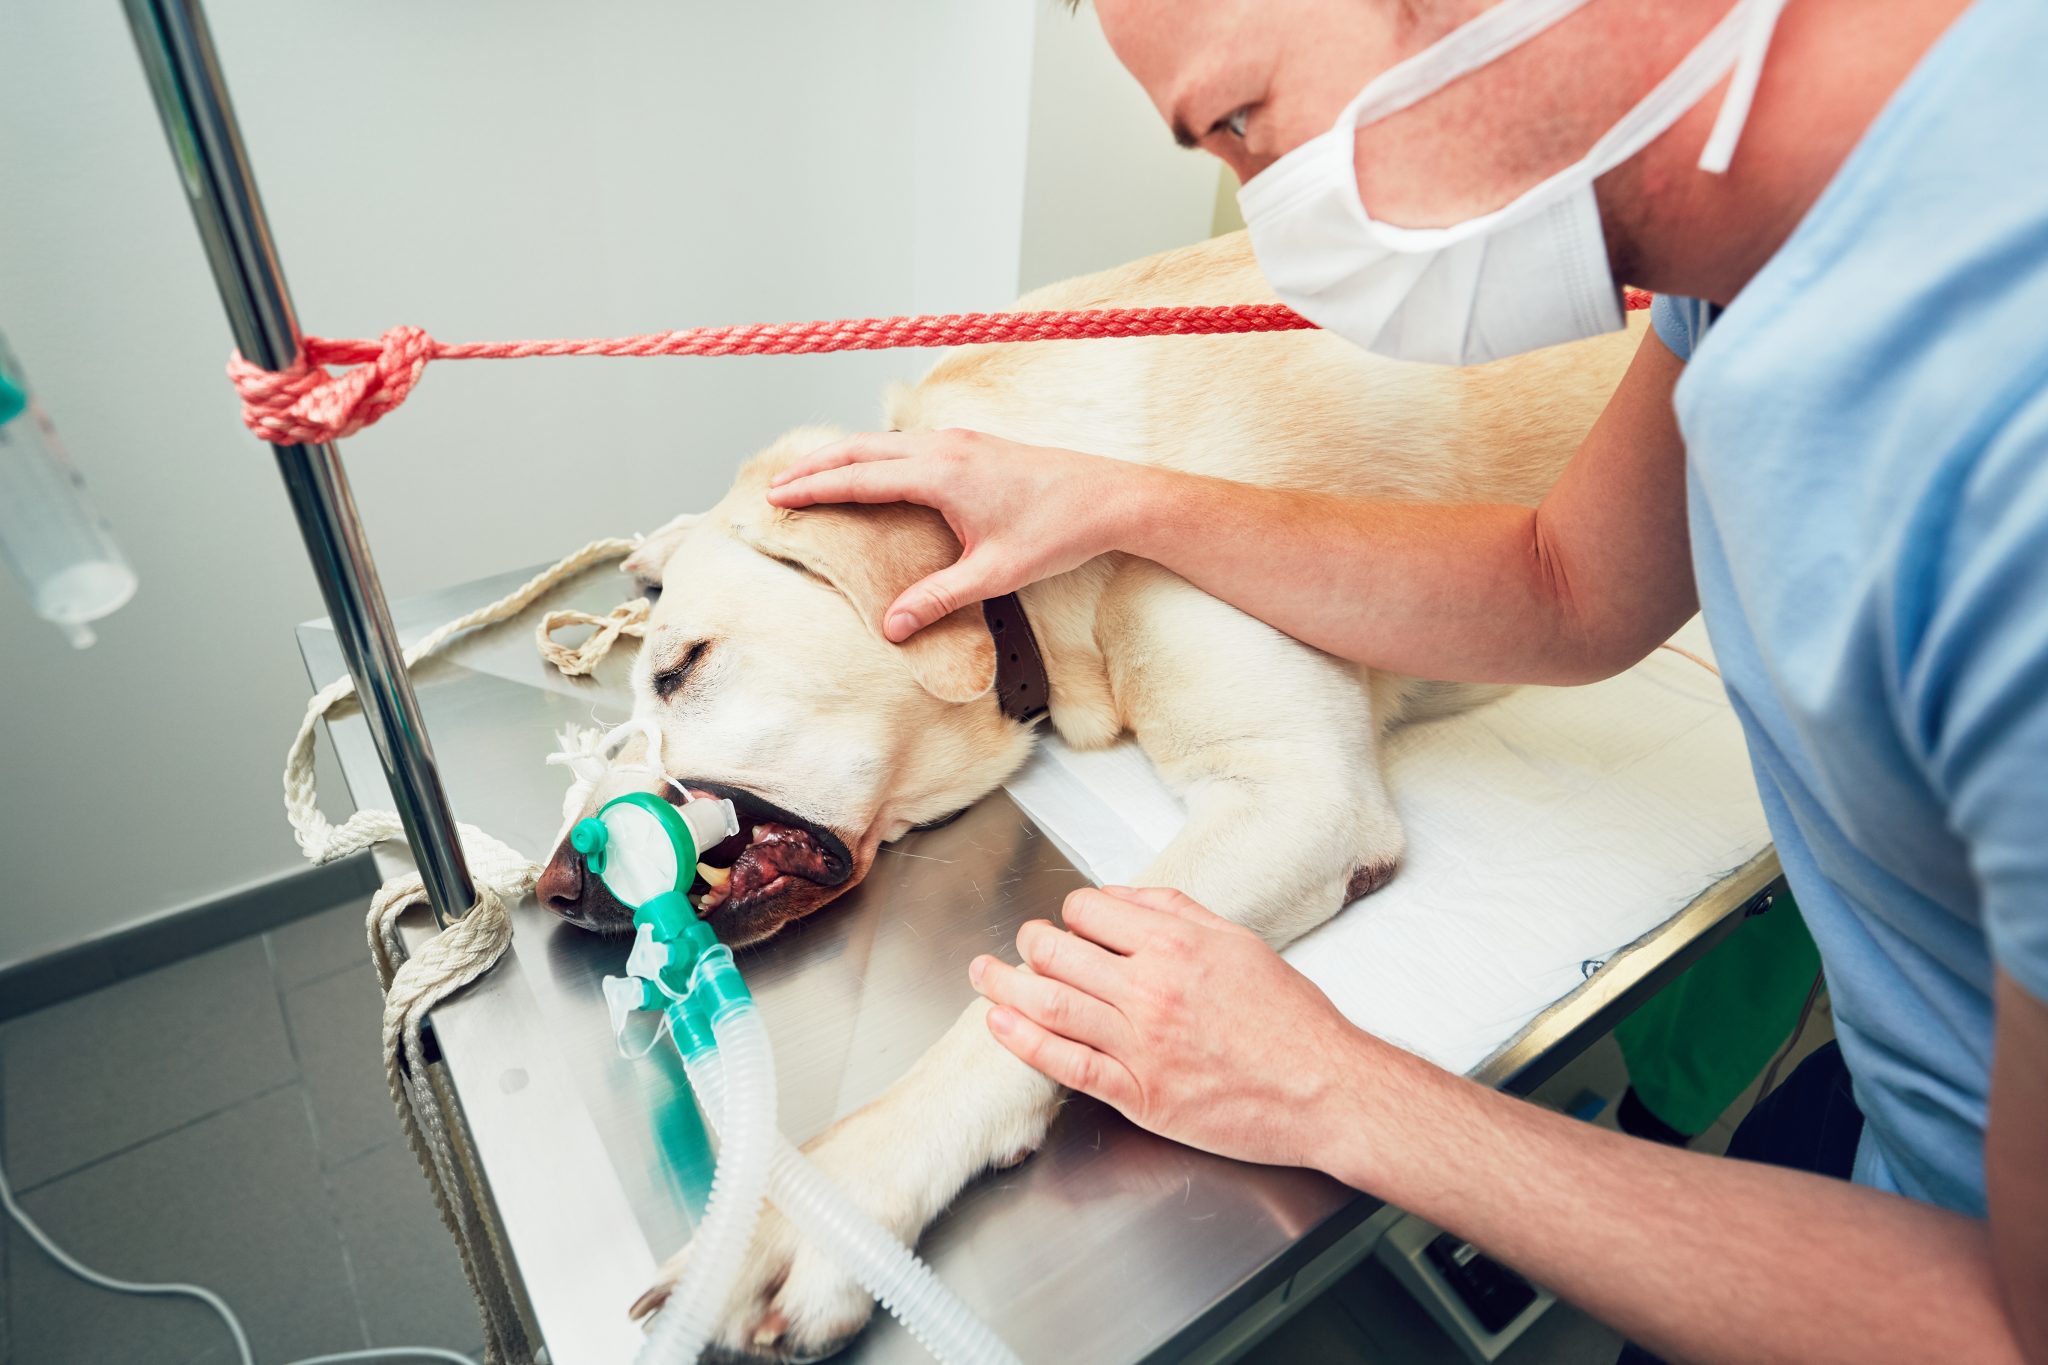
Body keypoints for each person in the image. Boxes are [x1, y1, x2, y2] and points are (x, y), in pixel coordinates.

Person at [767, 0, 2048, 1359]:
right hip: (1903, 1131)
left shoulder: (2002, 441)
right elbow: (1566, 584)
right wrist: (1113, 500)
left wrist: (1337, 1089)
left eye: (1242, 127)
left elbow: (2013, 1326)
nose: (1271, 223)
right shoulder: (1757, 246)